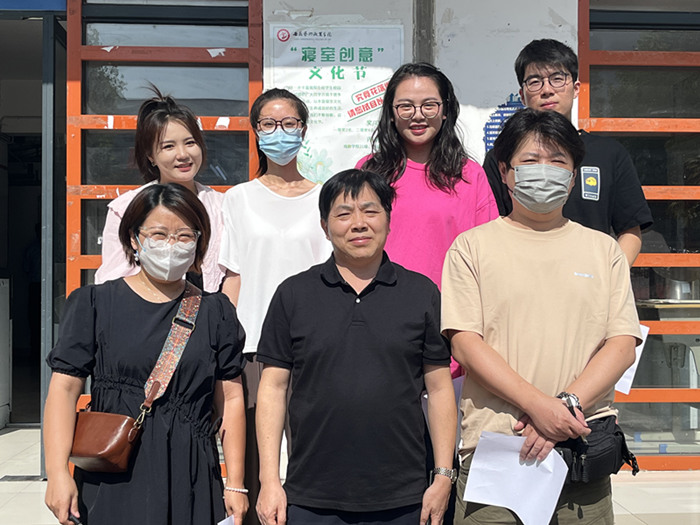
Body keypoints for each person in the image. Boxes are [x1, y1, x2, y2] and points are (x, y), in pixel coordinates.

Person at [442, 109, 641, 524]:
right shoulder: (471, 247)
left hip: (580, 449)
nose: (544, 172)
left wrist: (564, 406)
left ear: (573, 176)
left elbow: (622, 345)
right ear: (504, 171)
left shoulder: (604, 251)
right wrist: (540, 408)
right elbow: (465, 343)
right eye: (530, 161)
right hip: (499, 450)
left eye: (557, 161)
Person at [255, 169, 458, 525]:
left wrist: (443, 477)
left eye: (370, 211)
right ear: (324, 226)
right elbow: (273, 388)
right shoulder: (294, 294)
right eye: (344, 214)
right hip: (310, 496)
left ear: (388, 220)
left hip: (403, 498)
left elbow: (440, 389)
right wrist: (269, 480)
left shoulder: (421, 293)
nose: (359, 223)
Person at [44, 183, 247, 525]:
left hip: (192, 475)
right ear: (134, 239)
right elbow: (63, 390)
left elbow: (231, 398)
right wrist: (57, 474)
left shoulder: (216, 311)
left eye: (185, 236)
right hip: (113, 474)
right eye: (159, 234)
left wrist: (236, 484)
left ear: (199, 243)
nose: (172, 245)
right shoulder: (95, 304)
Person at [218, 88, 331, 525]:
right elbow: (233, 275)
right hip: (253, 349)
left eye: (289, 124)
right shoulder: (238, 198)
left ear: (303, 129)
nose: (279, 132)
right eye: (268, 124)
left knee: (311, 456)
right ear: (256, 131)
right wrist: (225, 347)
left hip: (313, 347)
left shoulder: (325, 198)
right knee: (253, 464)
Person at [483, 38, 653, 265]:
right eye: (535, 82)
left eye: (557, 79)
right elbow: (491, 225)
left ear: (575, 88)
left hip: (589, 278)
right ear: (522, 95)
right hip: (521, 275)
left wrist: (611, 276)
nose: (547, 90)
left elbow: (630, 230)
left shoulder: (609, 154)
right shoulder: (502, 156)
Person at [357, 62, 498, 288]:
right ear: (391, 113)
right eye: (405, 106)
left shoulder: (469, 174)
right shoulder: (369, 170)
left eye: (429, 105)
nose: (418, 115)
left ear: (445, 111)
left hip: (449, 302)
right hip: (379, 299)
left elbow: (488, 250)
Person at [95, 85, 225, 292]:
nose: (183, 154)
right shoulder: (125, 208)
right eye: (168, 146)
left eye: (190, 143)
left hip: (210, 309)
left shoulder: (223, 207)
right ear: (150, 156)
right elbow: (113, 278)